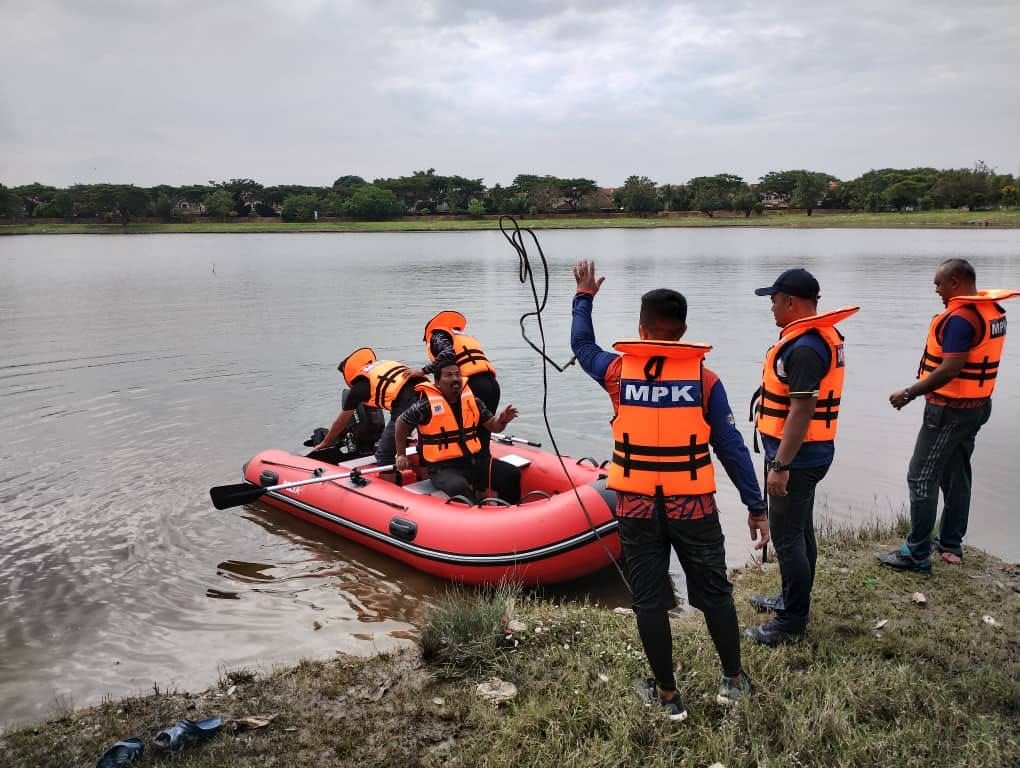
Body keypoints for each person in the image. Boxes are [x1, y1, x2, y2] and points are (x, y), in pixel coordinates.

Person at [571, 259, 768, 722]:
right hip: (693, 506)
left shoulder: (619, 373)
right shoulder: (704, 380)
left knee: (649, 600)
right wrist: (756, 505)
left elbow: (581, 345)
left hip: (636, 506)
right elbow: (731, 446)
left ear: (641, 329)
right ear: (683, 331)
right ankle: (734, 682)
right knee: (715, 593)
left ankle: (667, 696)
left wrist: (584, 296)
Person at [878, 259, 1018, 574]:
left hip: (949, 411)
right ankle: (951, 543)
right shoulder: (989, 311)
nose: (937, 291)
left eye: (939, 284)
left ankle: (916, 554)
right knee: (957, 473)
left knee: (921, 476)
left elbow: (951, 368)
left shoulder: (960, 319)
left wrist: (908, 393)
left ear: (955, 282)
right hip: (977, 406)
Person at [745, 269, 858, 646]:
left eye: (774, 300)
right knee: (801, 530)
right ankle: (792, 599)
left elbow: (802, 410)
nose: (772, 308)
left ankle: (792, 620)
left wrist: (781, 466)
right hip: (805, 453)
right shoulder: (809, 340)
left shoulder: (807, 347)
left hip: (798, 457)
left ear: (791, 301)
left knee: (788, 535)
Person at [394, 357, 518, 502]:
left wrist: (502, 420)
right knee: (458, 486)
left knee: (511, 474)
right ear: (438, 382)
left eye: (458, 374)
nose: (455, 378)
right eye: (449, 375)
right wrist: (401, 454)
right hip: (442, 468)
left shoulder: (473, 402)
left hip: (473, 462)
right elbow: (401, 423)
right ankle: (478, 516)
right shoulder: (425, 406)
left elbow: (493, 426)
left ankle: (510, 513)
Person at [313, 347, 426, 466]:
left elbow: (341, 421)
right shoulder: (384, 365)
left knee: (384, 454)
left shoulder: (360, 386)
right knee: (424, 447)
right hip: (429, 395)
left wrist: (326, 442)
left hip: (407, 403)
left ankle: (386, 483)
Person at [421, 311, 500, 453]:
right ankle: (484, 467)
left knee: (467, 432)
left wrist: (423, 371)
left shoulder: (438, 335)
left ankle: (462, 468)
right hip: (492, 385)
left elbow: (448, 354)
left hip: (472, 386)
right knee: (483, 433)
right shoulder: (464, 336)